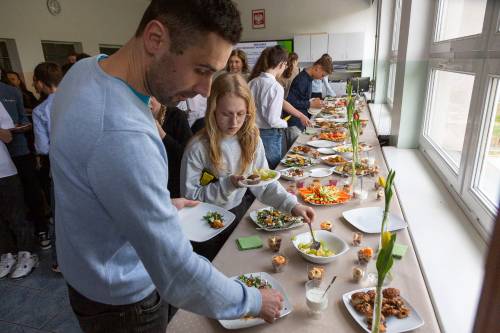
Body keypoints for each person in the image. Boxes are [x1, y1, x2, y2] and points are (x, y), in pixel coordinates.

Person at [50, 1, 284, 332]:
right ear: (155, 38)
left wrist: (154, 206)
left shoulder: (84, 71)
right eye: (201, 69)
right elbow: (177, 272)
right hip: (124, 302)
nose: (205, 90)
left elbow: (93, 181)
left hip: (88, 277)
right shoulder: (125, 135)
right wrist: (254, 300)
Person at [181, 73, 315, 259]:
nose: (234, 122)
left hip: (238, 214)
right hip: (204, 226)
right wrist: (229, 185)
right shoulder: (197, 149)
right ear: (212, 110)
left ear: (249, 111)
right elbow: (190, 200)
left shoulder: (251, 138)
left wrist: (292, 206)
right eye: (226, 114)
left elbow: (264, 182)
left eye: (240, 114)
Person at [0, 81, 51, 250]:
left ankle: (40, 230)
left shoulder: (12, 92)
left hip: (18, 151)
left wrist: (20, 128)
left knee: (30, 192)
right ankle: (11, 247)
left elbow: (22, 120)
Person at [248, 46, 310, 168]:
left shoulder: (253, 82)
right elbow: (272, 121)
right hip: (269, 135)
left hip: (253, 132)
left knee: (258, 168)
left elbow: (280, 102)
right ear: (281, 64)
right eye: (286, 65)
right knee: (273, 168)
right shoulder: (276, 87)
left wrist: (300, 115)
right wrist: (284, 123)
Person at [0, 101, 38, 279]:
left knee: (16, 215)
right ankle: (7, 254)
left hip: (4, 170)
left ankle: (27, 254)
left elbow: (8, 137)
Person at [31, 62, 63, 272]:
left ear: (41, 83)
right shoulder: (79, 100)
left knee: (60, 217)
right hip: (88, 167)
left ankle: (60, 261)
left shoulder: (41, 110)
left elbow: (42, 147)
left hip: (60, 170)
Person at [150, 96, 193, 198]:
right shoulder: (136, 119)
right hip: (151, 183)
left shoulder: (177, 116)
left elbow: (188, 156)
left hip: (173, 186)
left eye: (151, 96)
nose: (149, 101)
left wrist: (163, 135)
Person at [286, 54, 334, 131]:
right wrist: (310, 104)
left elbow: (301, 97)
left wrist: (313, 101)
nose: (321, 78)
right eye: (322, 75)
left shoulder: (309, 78)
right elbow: (290, 102)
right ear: (317, 68)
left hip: (301, 119)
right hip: (295, 122)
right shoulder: (302, 80)